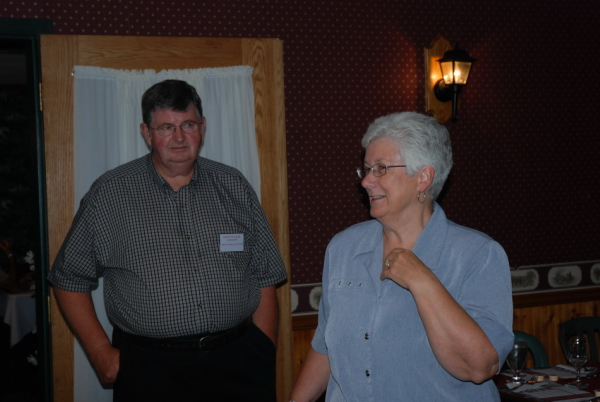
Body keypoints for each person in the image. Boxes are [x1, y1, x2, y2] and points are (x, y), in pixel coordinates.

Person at [48, 79, 287, 401]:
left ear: (202, 127)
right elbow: (68, 278)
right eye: (165, 127)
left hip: (238, 362)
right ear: (147, 133)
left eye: (188, 124)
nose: (179, 138)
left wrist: (264, 348)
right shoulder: (110, 194)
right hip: (150, 369)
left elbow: (265, 274)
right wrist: (101, 352)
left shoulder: (233, 185)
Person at [290, 112, 513, 401]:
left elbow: (480, 367)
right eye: (366, 169)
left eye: (381, 168)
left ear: (423, 178)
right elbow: (324, 348)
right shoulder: (343, 248)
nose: (366, 181)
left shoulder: (477, 255)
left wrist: (423, 281)